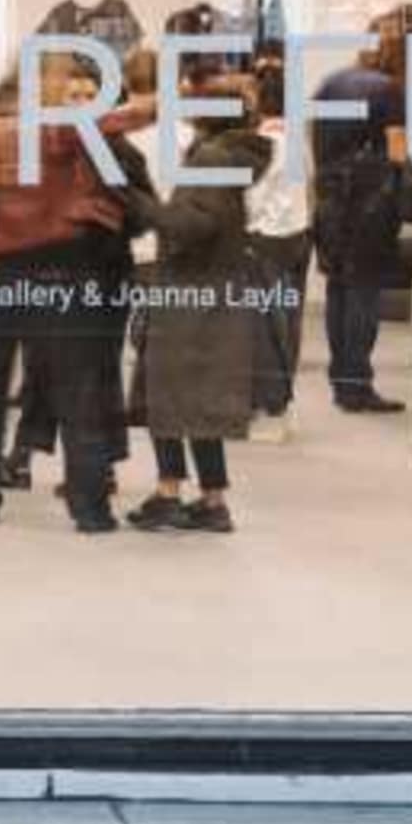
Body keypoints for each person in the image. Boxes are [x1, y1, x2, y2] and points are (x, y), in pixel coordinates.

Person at [0, 39, 155, 531]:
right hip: (64, 273)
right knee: (77, 390)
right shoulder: (64, 132)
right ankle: (91, 509)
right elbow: (134, 117)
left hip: (5, 274)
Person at [127, 64, 273, 534]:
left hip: (191, 297)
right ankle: (212, 500)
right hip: (212, 293)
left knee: (167, 394)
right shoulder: (231, 154)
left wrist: (142, 206)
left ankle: (169, 493)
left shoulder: (212, 157)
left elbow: (193, 225)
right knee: (200, 402)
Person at [308, 21, 412, 413]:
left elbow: (313, 141)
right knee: (364, 293)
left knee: (338, 289)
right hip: (369, 204)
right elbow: (397, 152)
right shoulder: (388, 90)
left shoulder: (329, 83)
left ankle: (342, 382)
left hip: (330, 199)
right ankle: (358, 385)